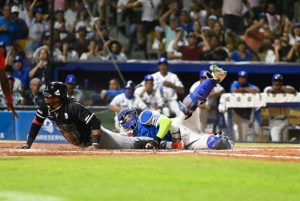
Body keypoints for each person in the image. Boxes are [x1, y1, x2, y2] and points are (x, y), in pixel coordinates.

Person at [117, 64, 232, 150]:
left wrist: (156, 141)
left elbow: (166, 122)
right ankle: (224, 140)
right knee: (215, 143)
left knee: (188, 104)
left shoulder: (143, 116)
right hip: (182, 141)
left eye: (127, 116)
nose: (127, 119)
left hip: (179, 125)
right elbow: (119, 137)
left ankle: (212, 79)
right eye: (124, 119)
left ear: (133, 114)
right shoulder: (133, 136)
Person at [17, 81, 153, 149]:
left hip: (97, 137)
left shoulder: (72, 106)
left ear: (58, 97)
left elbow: (95, 121)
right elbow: (37, 123)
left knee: (129, 144)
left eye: (49, 94)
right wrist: (28, 144)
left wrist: (95, 144)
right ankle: (128, 134)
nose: (46, 96)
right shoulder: (46, 106)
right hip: (82, 141)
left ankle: (158, 142)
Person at [263, 74, 296, 142]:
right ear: (272, 81)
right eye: (276, 81)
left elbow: (293, 91)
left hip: (285, 119)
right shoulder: (268, 88)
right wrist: (277, 88)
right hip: (274, 120)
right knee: (276, 141)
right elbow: (268, 91)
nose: (277, 83)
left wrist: (281, 88)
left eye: (279, 81)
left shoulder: (286, 88)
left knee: (285, 142)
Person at [230, 71, 260, 141]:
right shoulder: (235, 84)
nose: (242, 79)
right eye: (240, 78)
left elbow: (257, 90)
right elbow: (234, 91)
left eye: (244, 78)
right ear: (238, 78)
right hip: (235, 113)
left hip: (245, 115)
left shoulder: (249, 85)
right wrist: (246, 90)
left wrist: (243, 89)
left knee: (243, 137)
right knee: (235, 135)